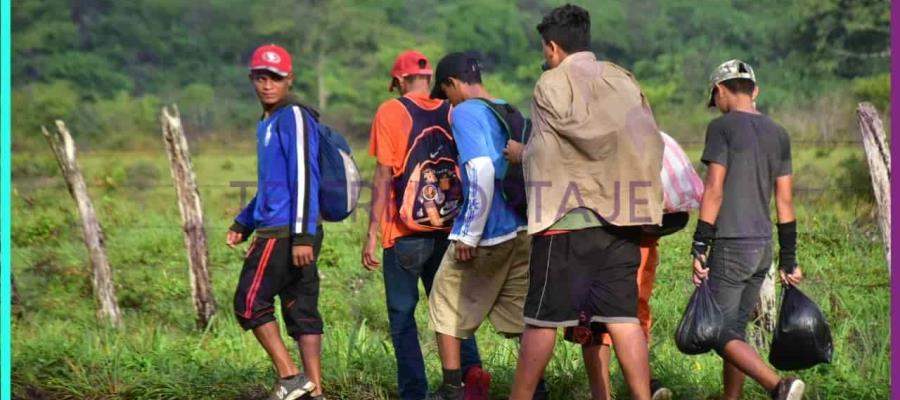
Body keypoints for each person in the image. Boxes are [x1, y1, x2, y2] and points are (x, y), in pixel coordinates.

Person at [507, 4, 665, 400]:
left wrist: (520, 155)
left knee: (541, 319)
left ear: (552, 48)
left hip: (566, 221)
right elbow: (645, 140)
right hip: (622, 221)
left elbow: (548, 149)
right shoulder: (623, 80)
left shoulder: (550, 84)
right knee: (622, 318)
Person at [361, 50, 486, 400]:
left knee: (403, 318)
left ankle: (414, 393)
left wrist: (371, 232)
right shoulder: (452, 110)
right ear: (430, 79)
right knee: (452, 313)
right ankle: (470, 383)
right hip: (448, 230)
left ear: (399, 81)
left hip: (404, 234)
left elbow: (384, 174)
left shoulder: (391, 110)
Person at [424, 52, 538, 400]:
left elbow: (481, 171)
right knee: (521, 316)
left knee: (443, 301)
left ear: (452, 84)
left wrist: (469, 233)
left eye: (446, 94)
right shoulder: (507, 108)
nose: (448, 103)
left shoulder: (465, 111)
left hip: (490, 232)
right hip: (523, 228)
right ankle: (536, 389)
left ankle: (452, 388)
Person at [691, 59, 806, 400]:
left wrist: (700, 242)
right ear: (754, 91)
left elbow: (713, 189)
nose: (718, 105)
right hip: (763, 247)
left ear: (720, 91)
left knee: (718, 332)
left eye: (717, 99)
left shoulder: (722, 128)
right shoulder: (779, 133)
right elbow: (785, 202)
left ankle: (778, 386)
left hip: (731, 243)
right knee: (735, 331)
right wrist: (789, 259)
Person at [226, 44, 326, 400]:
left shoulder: (293, 116)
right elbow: (273, 182)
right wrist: (243, 221)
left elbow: (305, 177)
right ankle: (315, 392)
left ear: (290, 80)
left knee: (249, 303)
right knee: (302, 310)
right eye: (261, 77)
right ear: (252, 79)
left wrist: (302, 236)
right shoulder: (267, 121)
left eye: (276, 78)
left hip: (286, 231)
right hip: (283, 226)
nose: (268, 85)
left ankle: (291, 377)